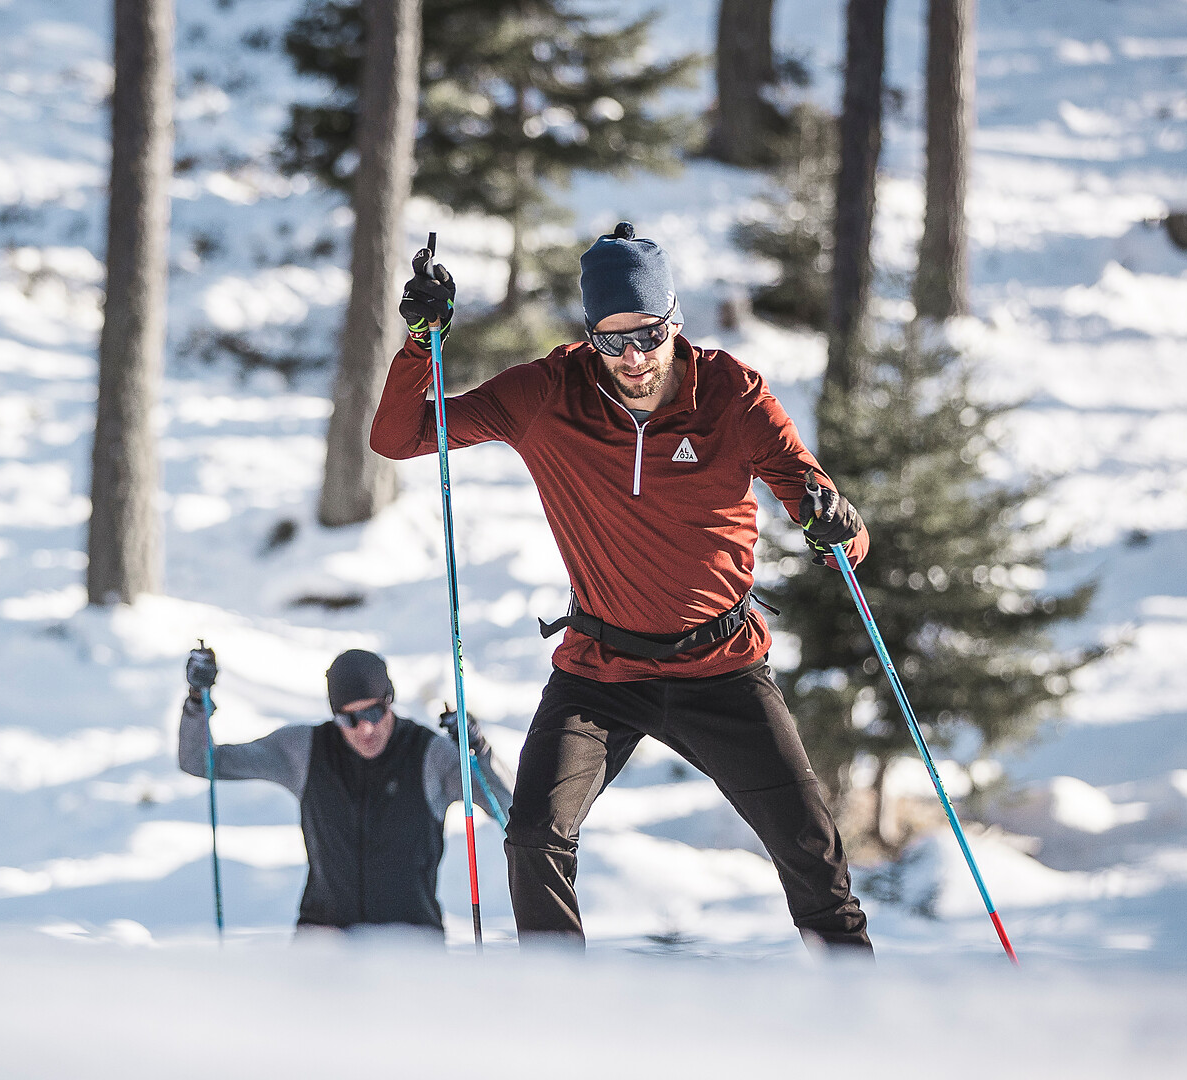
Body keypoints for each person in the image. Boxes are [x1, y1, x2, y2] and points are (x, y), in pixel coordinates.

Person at [369, 223, 873, 954]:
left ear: (674, 320)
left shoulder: (730, 393)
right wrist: (422, 346)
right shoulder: (547, 392)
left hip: (722, 667)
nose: (633, 358)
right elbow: (400, 436)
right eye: (611, 341)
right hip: (602, 673)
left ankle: (856, 1003)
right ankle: (565, 1015)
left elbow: (832, 521)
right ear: (587, 336)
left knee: (810, 849)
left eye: (648, 335)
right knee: (534, 835)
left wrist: (836, 527)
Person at [177, 646, 511, 936]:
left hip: (410, 943)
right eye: (349, 718)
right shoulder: (303, 750)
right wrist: (197, 702)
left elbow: (508, 809)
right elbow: (200, 761)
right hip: (325, 940)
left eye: (373, 712)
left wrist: (478, 752)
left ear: (389, 701)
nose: (365, 727)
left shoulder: (429, 755)